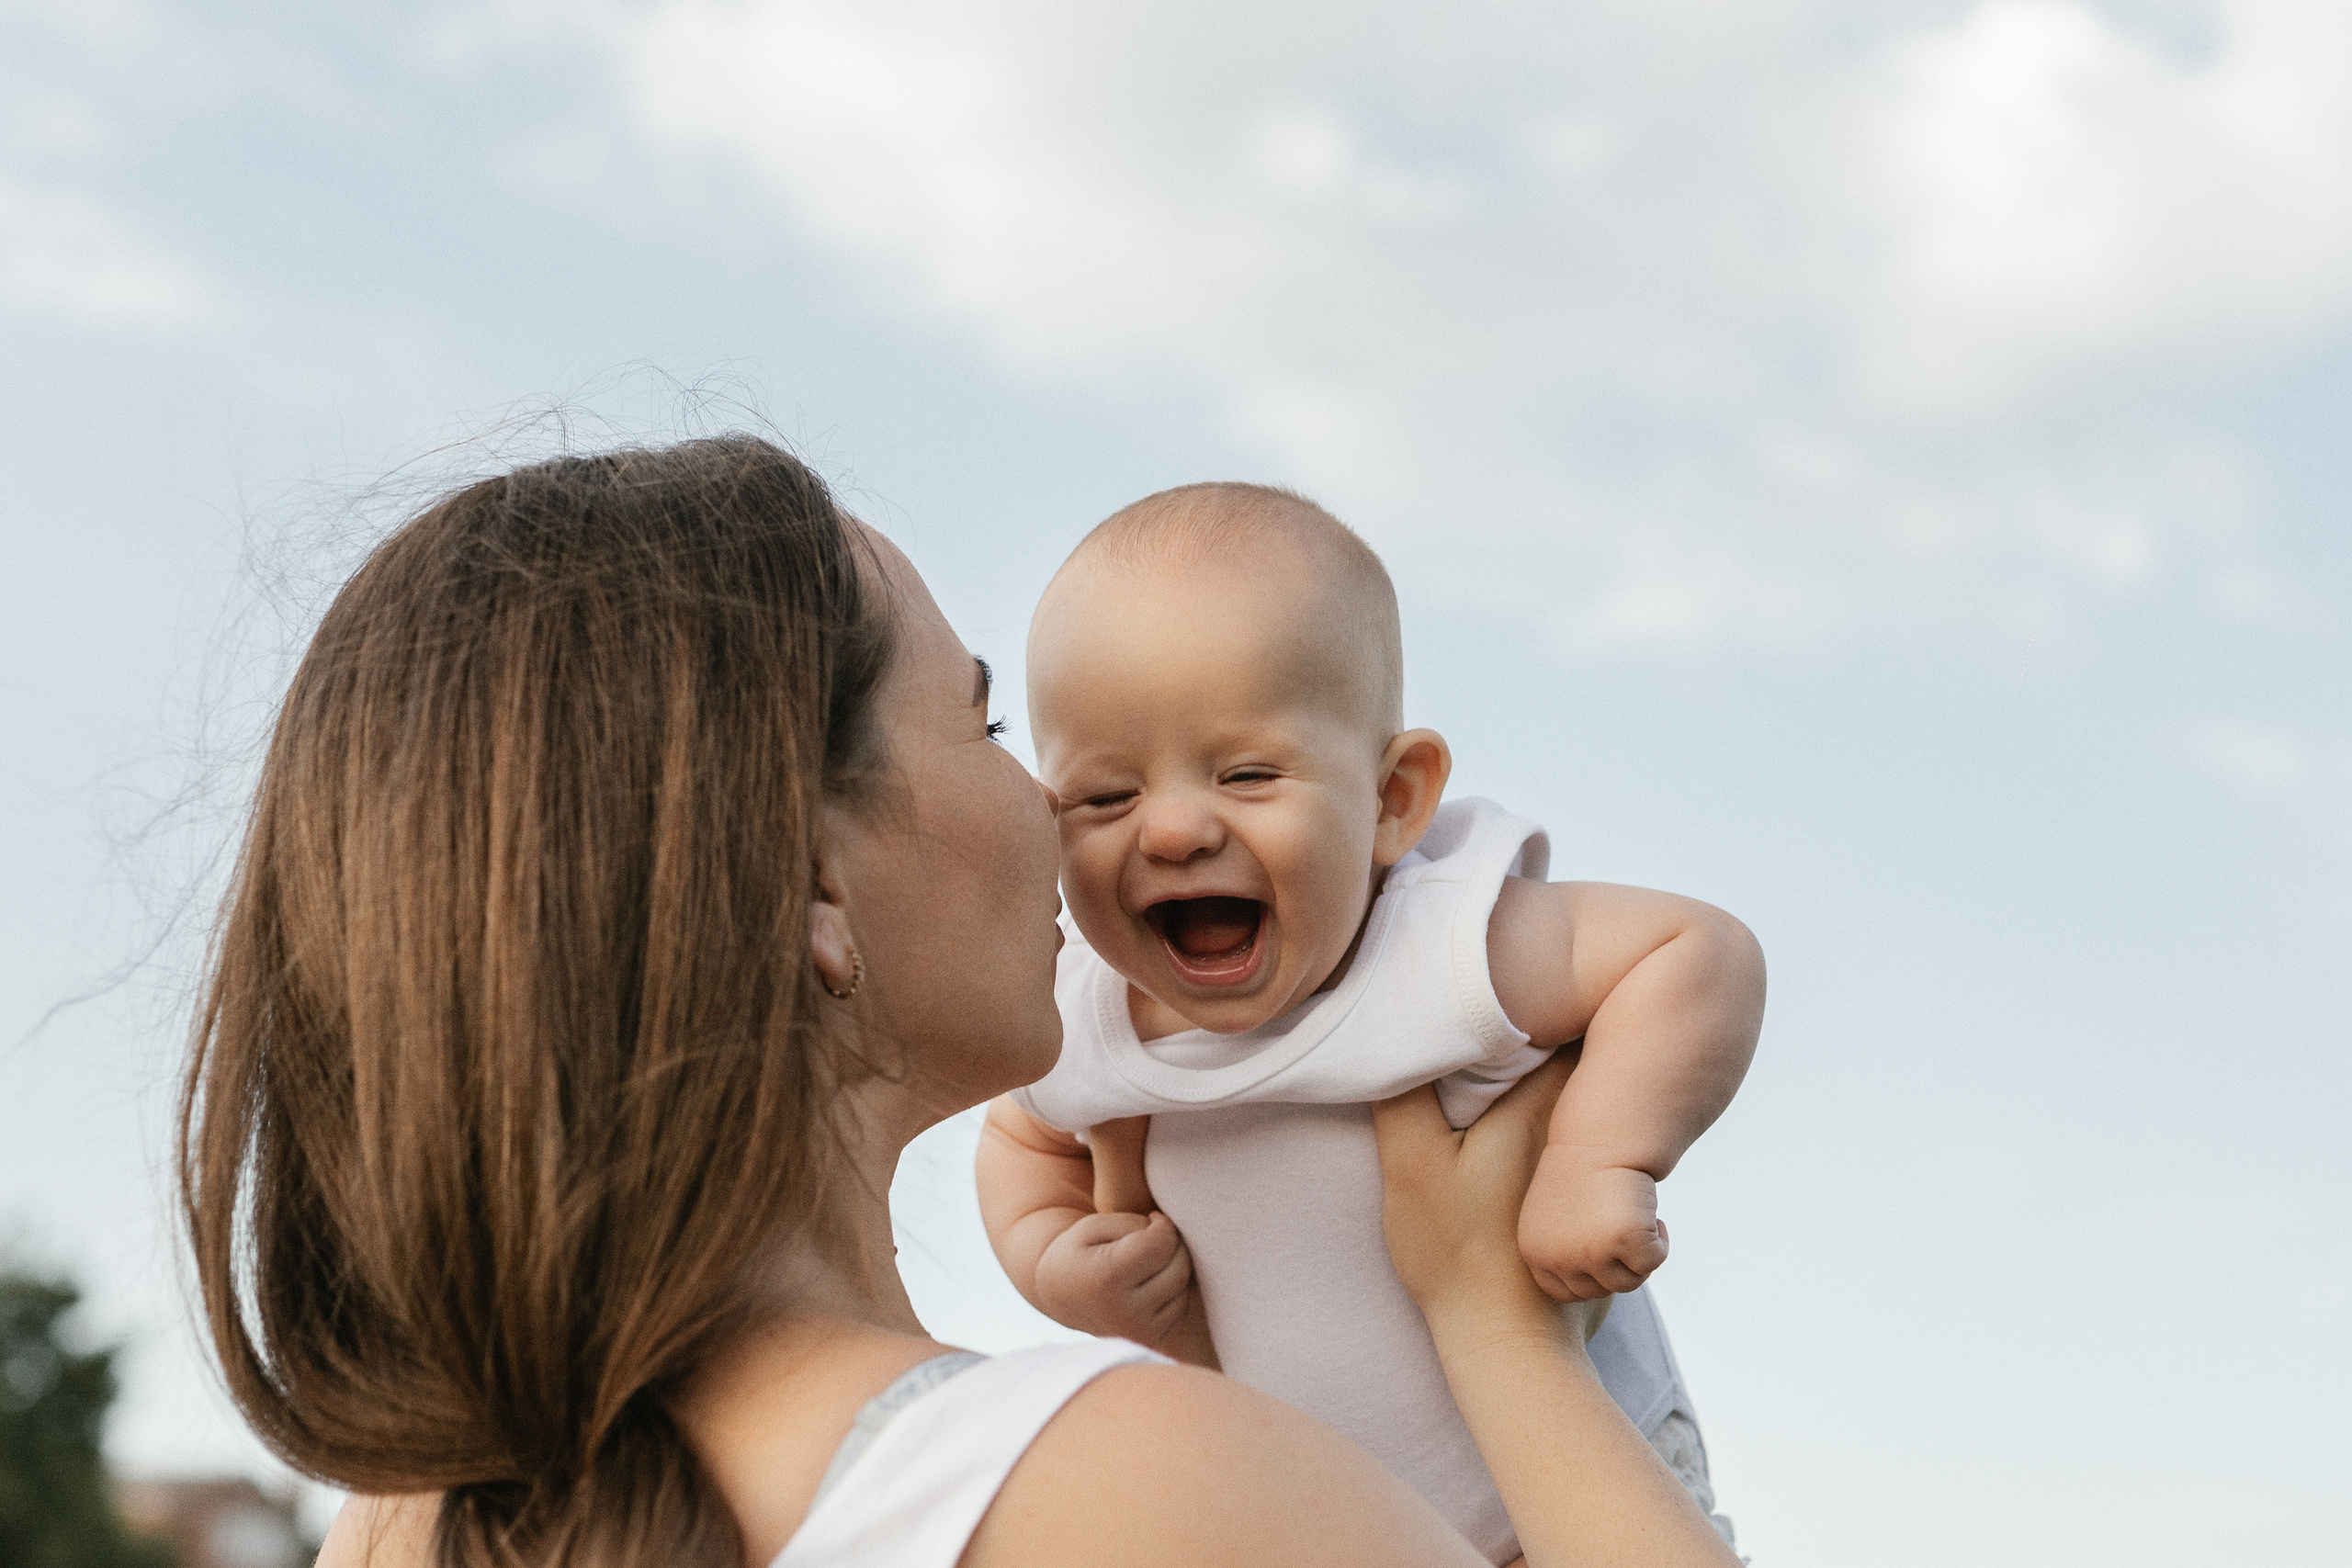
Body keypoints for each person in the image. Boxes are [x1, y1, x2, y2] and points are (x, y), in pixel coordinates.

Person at [179, 437, 1742, 1568]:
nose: (1071, 816)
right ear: (814, 881)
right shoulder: (1119, 1490)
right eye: (993, 722)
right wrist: (1495, 1327)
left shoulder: (414, 1523)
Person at [978, 483, 1764, 1561]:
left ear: (1393, 801)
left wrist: (1598, 1160)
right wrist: (1052, 1261)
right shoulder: (1092, 1017)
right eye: (1103, 798)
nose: (1170, 828)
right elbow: (1023, 1136)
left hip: (1579, 1484)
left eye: (1246, 774)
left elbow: (1693, 953)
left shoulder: (1438, 950)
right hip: (1343, 1527)